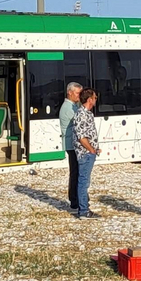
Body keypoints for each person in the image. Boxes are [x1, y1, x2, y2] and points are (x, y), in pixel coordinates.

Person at [71, 88, 102, 219]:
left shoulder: (88, 114)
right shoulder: (81, 115)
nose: (96, 100)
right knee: (83, 182)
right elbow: (81, 137)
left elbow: (89, 134)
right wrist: (91, 149)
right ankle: (83, 210)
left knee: (85, 181)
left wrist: (95, 148)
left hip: (89, 153)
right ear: (89, 99)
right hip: (85, 154)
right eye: (95, 98)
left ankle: (84, 207)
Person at [60, 82, 83, 211]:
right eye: (77, 93)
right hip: (72, 144)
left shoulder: (73, 106)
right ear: (69, 92)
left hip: (71, 144)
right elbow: (80, 122)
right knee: (76, 172)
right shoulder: (68, 108)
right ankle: (75, 199)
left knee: (76, 171)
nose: (79, 96)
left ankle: (75, 198)